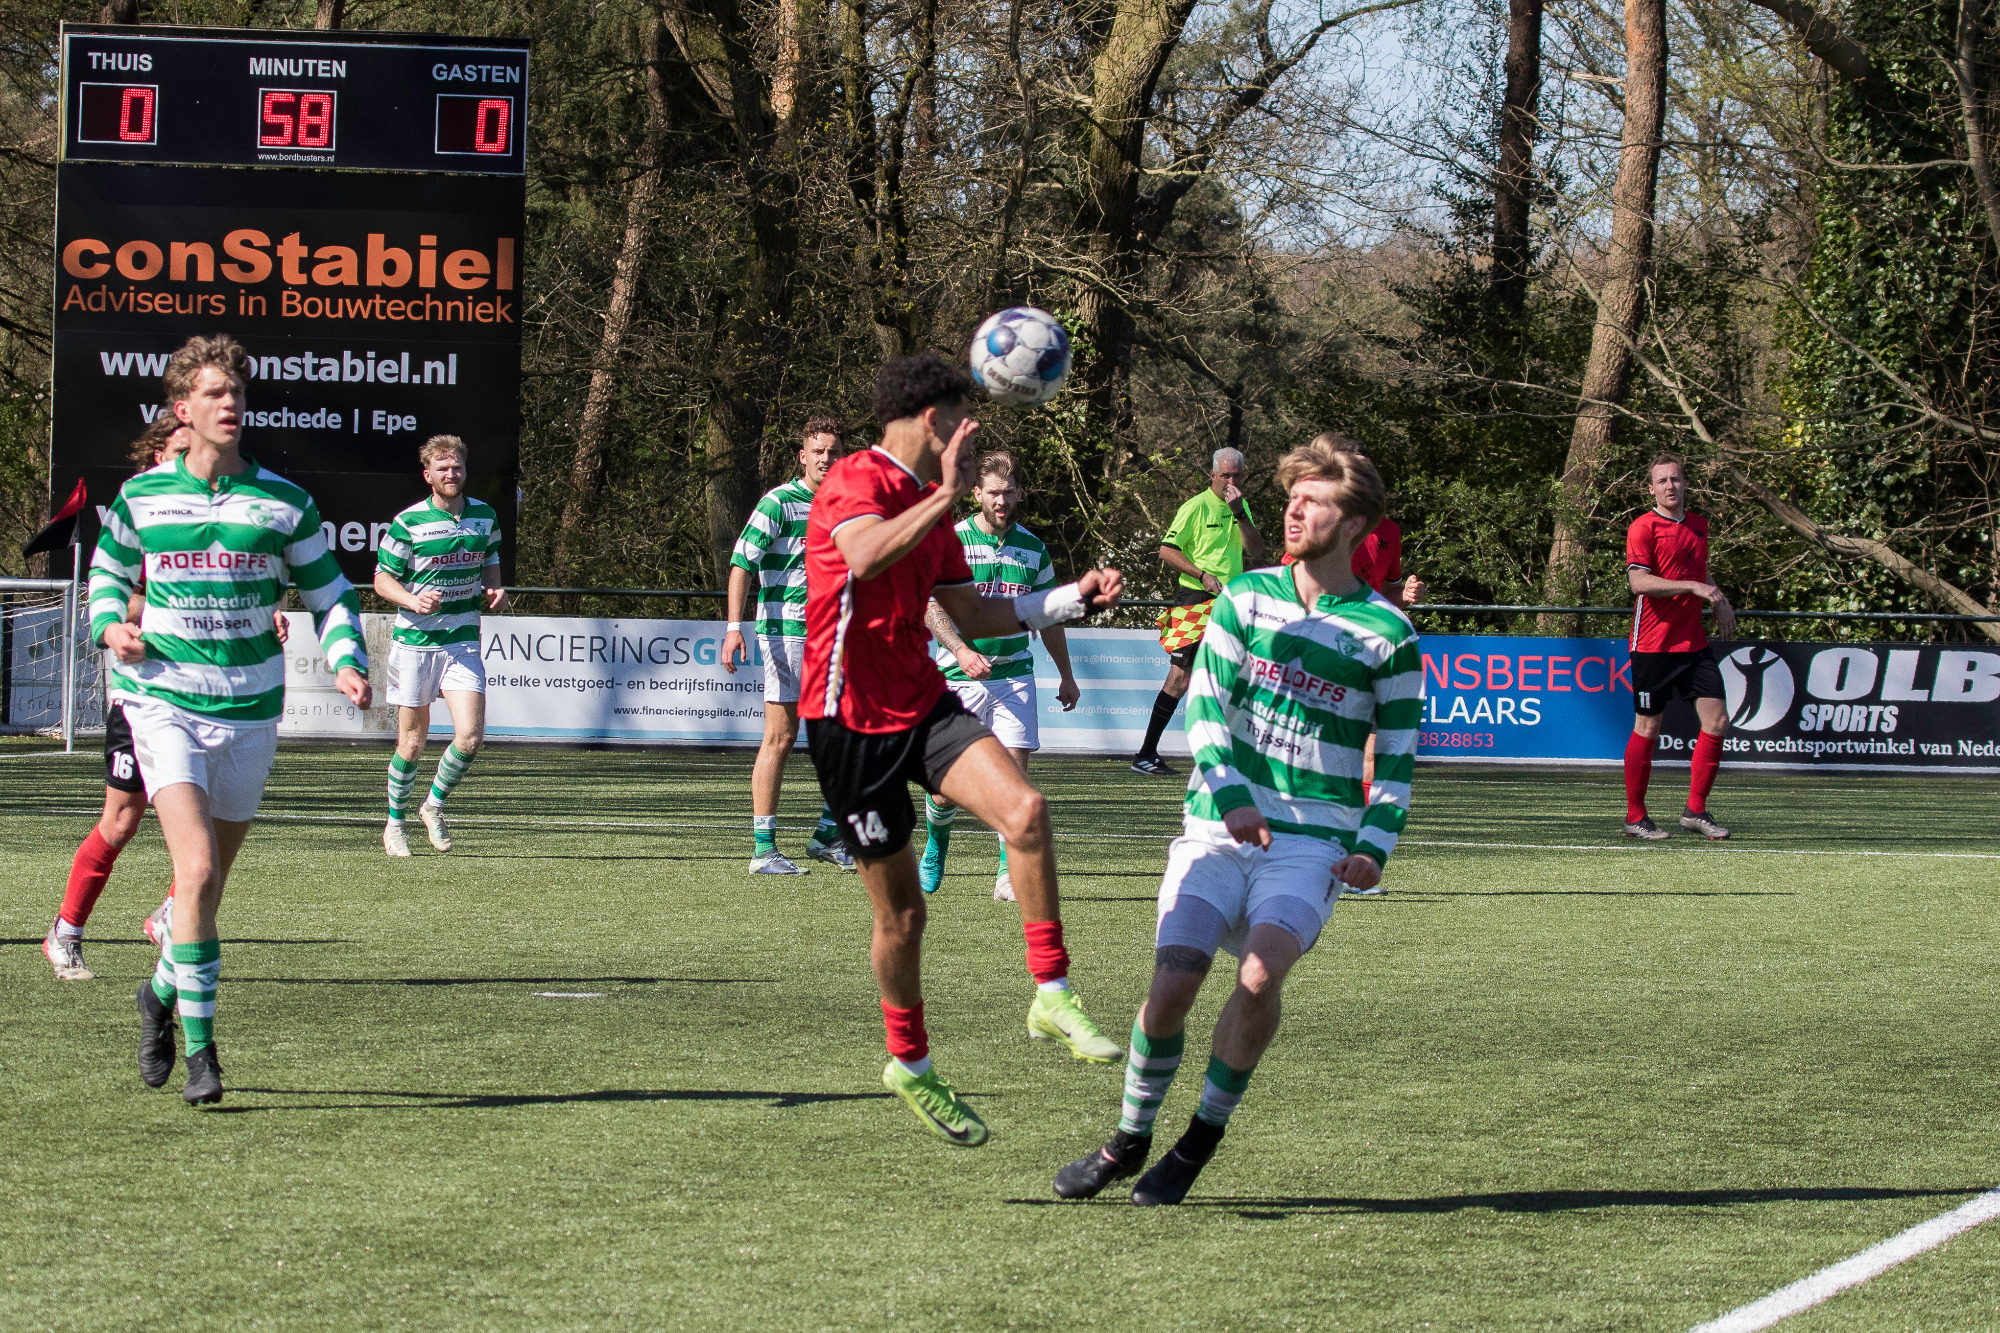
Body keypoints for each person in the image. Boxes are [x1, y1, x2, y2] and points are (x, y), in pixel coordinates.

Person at [1052, 439, 1421, 1206]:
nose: (1293, 510)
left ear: (1355, 523)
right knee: (1174, 982)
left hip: (1311, 840)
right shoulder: (1245, 598)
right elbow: (1206, 709)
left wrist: (1374, 847)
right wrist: (1229, 795)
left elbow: (1396, 760)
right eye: (1292, 497)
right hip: (1216, 828)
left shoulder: (1389, 633)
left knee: (1258, 974)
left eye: (1314, 500)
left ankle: (1198, 1141)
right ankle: (1128, 1136)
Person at [801, 352, 1125, 1148]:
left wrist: (1069, 599)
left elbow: (973, 614)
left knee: (1027, 810)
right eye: (966, 425)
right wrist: (945, 494)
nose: (975, 445)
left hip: (922, 700)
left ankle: (1051, 991)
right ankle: (910, 1062)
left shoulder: (934, 508)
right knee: (903, 916)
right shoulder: (854, 478)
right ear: (931, 418)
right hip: (849, 722)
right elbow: (865, 555)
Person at [90, 334, 370, 1106]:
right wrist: (110, 625)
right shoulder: (144, 496)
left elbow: (332, 594)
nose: (231, 403)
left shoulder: (285, 501)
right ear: (183, 408)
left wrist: (347, 657)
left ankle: (158, 991)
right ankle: (203, 1054)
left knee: (204, 894)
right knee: (198, 871)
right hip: (164, 700)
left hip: (249, 709)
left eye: (238, 392)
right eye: (215, 392)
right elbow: (107, 572)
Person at [42, 412, 204, 979]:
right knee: (121, 820)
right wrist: (158, 610)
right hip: (143, 695)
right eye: (179, 451)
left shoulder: (217, 513)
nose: (190, 461)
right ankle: (65, 932)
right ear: (156, 456)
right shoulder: (138, 512)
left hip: (202, 694)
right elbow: (110, 593)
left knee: (208, 822)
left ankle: (168, 915)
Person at [919, 452, 1081, 902]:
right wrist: (961, 650)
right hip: (958, 678)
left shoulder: (1033, 549)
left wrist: (1066, 675)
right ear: (977, 494)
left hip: (1015, 678)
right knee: (946, 789)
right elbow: (929, 604)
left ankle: (1007, 874)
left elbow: (1049, 614)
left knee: (1013, 783)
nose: (1001, 500)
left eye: (1009, 492)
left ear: (1019, 493)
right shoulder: (952, 540)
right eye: (993, 492)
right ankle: (936, 843)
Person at [722, 417, 855, 875]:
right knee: (780, 737)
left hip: (834, 635)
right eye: (818, 451)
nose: (826, 459)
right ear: (803, 456)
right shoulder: (779, 502)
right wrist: (733, 627)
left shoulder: (847, 505)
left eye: (833, 451)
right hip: (787, 633)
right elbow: (741, 563)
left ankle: (827, 836)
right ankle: (764, 850)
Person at [373, 435, 509, 857]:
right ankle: (395, 824)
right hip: (416, 642)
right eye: (443, 469)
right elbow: (382, 579)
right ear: (428, 475)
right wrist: (411, 599)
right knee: (412, 743)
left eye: (457, 467)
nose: (452, 474)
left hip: (462, 638)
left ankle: (432, 806)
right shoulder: (408, 522)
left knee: (470, 736)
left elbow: (490, 561)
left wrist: (496, 590)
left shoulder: (485, 516)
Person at [1131, 447, 1265, 775]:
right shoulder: (1195, 506)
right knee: (1180, 678)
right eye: (1225, 476)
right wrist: (1202, 574)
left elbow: (1257, 551)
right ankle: (1145, 755)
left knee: (1232, 676)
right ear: (1212, 475)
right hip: (1195, 600)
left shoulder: (1241, 506)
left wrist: (1240, 513)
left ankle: (1230, 755)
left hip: (1230, 602)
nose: (1230, 482)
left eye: (1236, 476)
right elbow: (1166, 551)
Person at [1623, 455, 1734, 841]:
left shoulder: (1699, 525)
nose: (1670, 486)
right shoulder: (1643, 527)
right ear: (1651, 489)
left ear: (1686, 484)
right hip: (1652, 644)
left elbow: (1699, 571)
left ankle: (1695, 811)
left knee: (1717, 721)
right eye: (1662, 481)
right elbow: (1639, 583)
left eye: (1675, 479)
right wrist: (1693, 587)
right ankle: (1636, 817)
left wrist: (1719, 599)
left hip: (1693, 643)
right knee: (1648, 727)